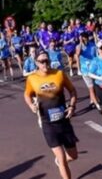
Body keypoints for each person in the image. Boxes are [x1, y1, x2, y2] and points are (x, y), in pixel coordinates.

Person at [24, 49, 80, 179]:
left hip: (64, 121)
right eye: (42, 61)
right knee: (61, 158)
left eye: (46, 60)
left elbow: (72, 91)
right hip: (47, 123)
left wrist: (72, 106)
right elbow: (27, 94)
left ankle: (60, 162)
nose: (45, 64)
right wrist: (32, 105)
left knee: (73, 156)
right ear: (36, 62)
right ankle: (61, 163)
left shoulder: (59, 74)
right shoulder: (32, 78)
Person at [75, 32, 102, 114]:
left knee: (96, 86)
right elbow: (78, 54)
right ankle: (97, 105)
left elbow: (97, 55)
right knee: (91, 88)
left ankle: (93, 101)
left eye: (85, 38)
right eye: (82, 38)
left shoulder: (92, 45)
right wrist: (80, 43)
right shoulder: (79, 46)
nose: (84, 39)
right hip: (85, 70)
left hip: (94, 69)